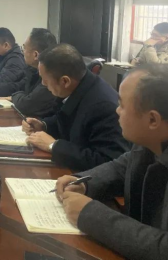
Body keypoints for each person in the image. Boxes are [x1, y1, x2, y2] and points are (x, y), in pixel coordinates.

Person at [55, 64, 168, 260]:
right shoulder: (149, 141)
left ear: (152, 120)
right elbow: (123, 166)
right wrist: (83, 182)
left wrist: (90, 215)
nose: (116, 111)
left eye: (122, 105)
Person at [22, 44, 129, 171]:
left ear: (65, 81)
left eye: (45, 80)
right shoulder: (80, 86)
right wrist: (44, 125)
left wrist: (53, 145)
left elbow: (106, 161)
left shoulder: (102, 106)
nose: (43, 84)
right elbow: (67, 120)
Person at [0, 28, 58, 118]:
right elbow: (17, 87)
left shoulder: (51, 75)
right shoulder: (32, 69)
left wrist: (14, 97)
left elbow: (28, 104)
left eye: (24, 48)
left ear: (35, 55)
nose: (22, 51)